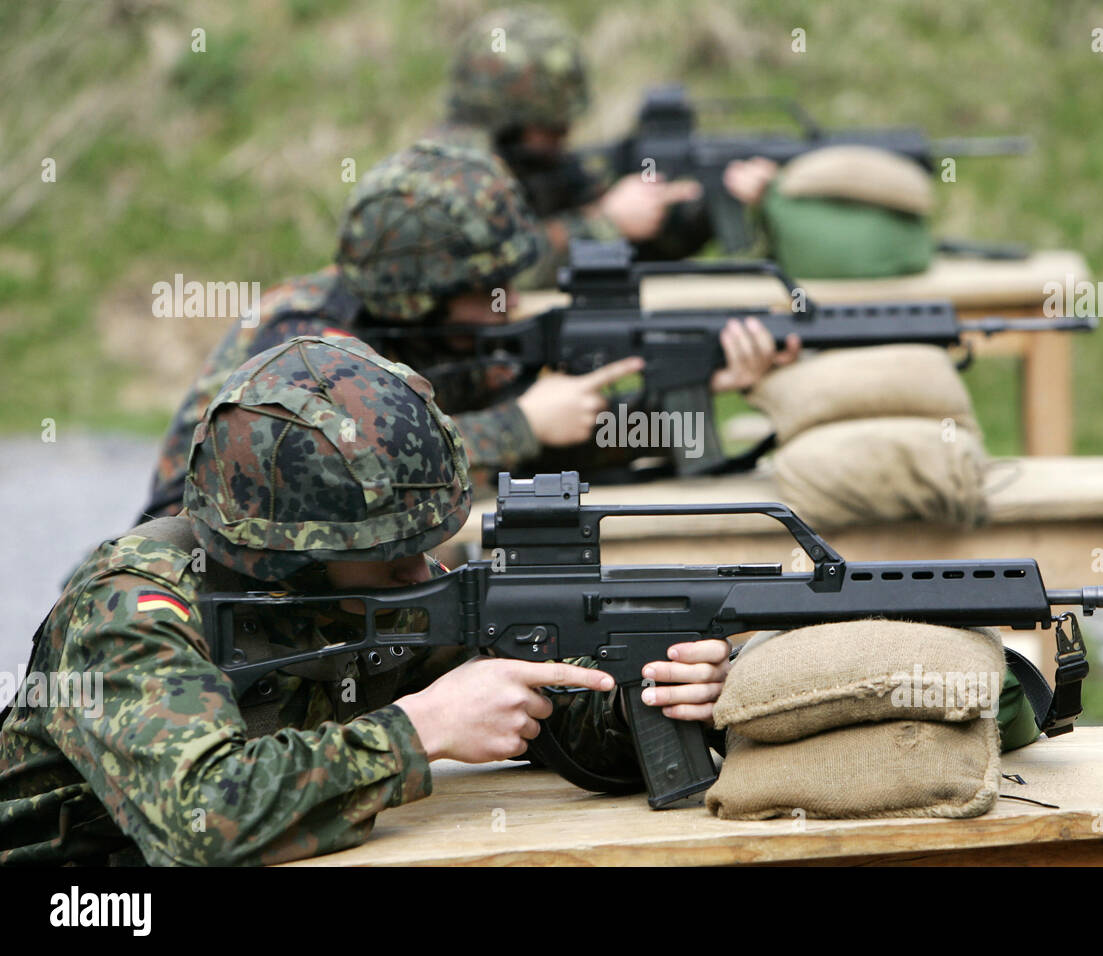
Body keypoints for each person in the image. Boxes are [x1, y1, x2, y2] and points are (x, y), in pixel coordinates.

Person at [0, 336, 732, 865]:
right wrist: (421, 727)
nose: (420, 572)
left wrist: (644, 694)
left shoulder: (376, 591)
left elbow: (554, 716)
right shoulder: (132, 613)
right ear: (287, 564)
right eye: (384, 558)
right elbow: (202, 823)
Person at [140, 141, 796, 519]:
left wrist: (690, 392)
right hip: (205, 557)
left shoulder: (447, 337)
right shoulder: (306, 342)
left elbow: (545, 444)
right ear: (415, 299)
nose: (505, 305)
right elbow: (335, 478)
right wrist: (520, 425)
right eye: (483, 293)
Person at [437, 5, 779, 284]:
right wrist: (606, 223)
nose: (564, 134)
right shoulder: (452, 175)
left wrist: (701, 203)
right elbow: (498, 274)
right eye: (551, 125)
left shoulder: (540, 163)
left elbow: (644, 251)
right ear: (507, 119)